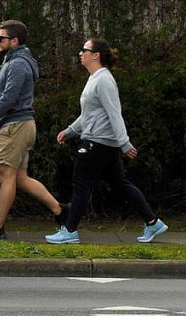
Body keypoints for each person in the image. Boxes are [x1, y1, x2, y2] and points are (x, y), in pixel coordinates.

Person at [46, 37, 168, 244]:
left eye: (84, 50)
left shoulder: (104, 80)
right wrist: (70, 131)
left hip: (99, 141)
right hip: (102, 141)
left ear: (96, 55)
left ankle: (70, 231)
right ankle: (152, 222)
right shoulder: (95, 78)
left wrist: (124, 142)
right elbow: (89, 114)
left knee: (81, 184)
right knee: (119, 183)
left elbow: (114, 113)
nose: (80, 54)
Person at [0, 20, 63, 240]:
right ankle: (61, 210)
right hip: (21, 124)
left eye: (1, 38)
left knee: (6, 175)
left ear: (14, 41)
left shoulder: (18, 64)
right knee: (20, 178)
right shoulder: (15, 61)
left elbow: (8, 98)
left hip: (15, 125)